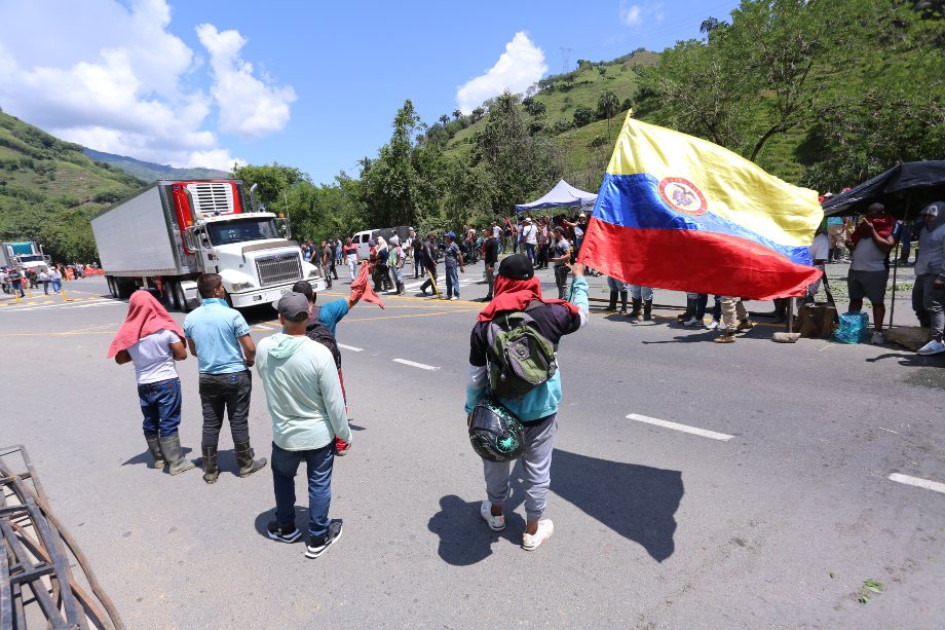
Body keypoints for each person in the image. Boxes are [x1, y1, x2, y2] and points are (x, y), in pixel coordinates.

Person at [465, 254, 589, 551]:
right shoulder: (553, 314)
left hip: (500, 412)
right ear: (532, 279)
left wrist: (471, 411)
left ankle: (496, 514)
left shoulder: (485, 321)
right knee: (537, 469)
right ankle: (532, 530)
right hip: (542, 412)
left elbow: (475, 377)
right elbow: (582, 314)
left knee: (496, 461)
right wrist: (579, 278)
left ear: (501, 282)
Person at [257, 292, 352, 558]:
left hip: (284, 434)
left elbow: (263, 375)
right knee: (319, 484)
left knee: (283, 478)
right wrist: (344, 435)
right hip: (318, 436)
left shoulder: (265, 348)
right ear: (308, 316)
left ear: (280, 318)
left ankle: (286, 526)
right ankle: (318, 537)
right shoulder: (319, 353)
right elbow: (334, 402)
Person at [183, 273, 267, 484]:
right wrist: (249, 360)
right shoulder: (232, 315)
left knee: (211, 422)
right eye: (221, 287)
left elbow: (194, 351)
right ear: (217, 290)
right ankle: (246, 464)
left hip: (208, 376)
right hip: (234, 375)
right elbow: (250, 347)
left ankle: (210, 470)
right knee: (238, 421)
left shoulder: (190, 318)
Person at [109, 291, 196, 475]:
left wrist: (139, 355)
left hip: (144, 384)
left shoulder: (130, 334)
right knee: (169, 421)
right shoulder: (164, 330)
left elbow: (120, 359)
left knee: (151, 421)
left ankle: (158, 458)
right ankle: (176, 462)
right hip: (167, 382)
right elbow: (182, 354)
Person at [847, 202, 897, 344]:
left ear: (881, 213)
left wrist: (872, 231)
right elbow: (853, 243)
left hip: (875, 271)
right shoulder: (864, 226)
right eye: (868, 212)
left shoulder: (890, 225)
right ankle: (854, 329)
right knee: (855, 300)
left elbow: (886, 247)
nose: (869, 215)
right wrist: (849, 244)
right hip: (856, 269)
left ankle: (878, 332)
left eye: (872, 213)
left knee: (877, 302)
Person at [911, 202, 945, 355]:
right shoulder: (925, 230)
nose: (927, 218)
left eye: (931, 215)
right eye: (926, 215)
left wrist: (942, 276)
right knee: (918, 304)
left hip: (936, 273)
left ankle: (938, 340)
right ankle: (928, 332)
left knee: (933, 305)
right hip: (923, 273)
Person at [549, 227, 571, 300]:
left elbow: (568, 255)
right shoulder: (557, 241)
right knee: (558, 282)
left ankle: (566, 298)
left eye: (555, 232)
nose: (554, 233)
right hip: (557, 265)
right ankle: (560, 296)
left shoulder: (564, 243)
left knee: (563, 283)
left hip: (562, 265)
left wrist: (558, 259)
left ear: (559, 232)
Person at [443, 231, 465, 300]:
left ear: (450, 238)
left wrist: (461, 266)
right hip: (447, 265)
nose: (446, 238)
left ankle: (456, 294)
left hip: (452, 265)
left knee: (454, 280)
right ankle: (449, 294)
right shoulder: (448, 244)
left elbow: (460, 256)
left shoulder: (454, 245)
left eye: (447, 237)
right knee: (448, 281)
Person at [482, 226, 499, 301]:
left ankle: (497, 295)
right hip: (487, 263)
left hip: (492, 263)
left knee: (495, 280)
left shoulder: (494, 241)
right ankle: (490, 295)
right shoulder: (487, 241)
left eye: (485, 231)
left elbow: (494, 254)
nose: (484, 232)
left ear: (488, 232)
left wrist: (492, 265)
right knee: (490, 280)